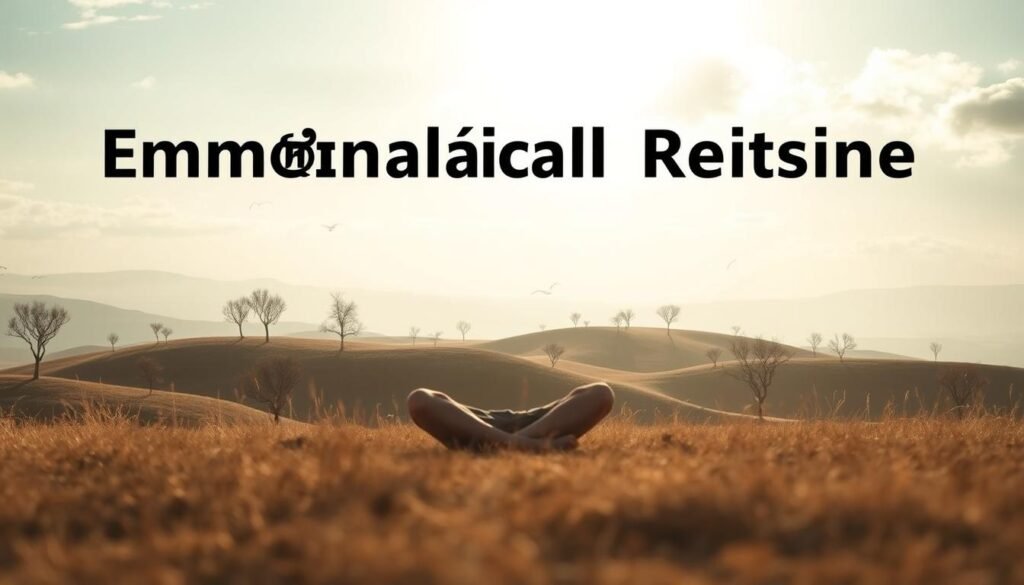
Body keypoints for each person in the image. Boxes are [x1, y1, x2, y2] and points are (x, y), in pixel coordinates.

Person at [407, 382, 614, 452]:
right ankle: (530, 446)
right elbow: (423, 402)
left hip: (540, 421)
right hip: (473, 423)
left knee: (602, 392)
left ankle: (507, 444)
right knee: (419, 399)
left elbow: (600, 396)